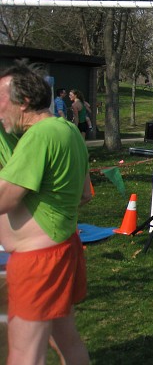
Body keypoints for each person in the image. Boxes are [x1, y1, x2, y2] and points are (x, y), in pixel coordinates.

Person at [0, 62, 92, 365]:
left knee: (24, 354)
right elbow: (84, 194)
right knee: (66, 340)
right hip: (61, 249)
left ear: (24, 101)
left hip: (39, 262)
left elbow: (3, 199)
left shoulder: (40, 135)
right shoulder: (67, 129)